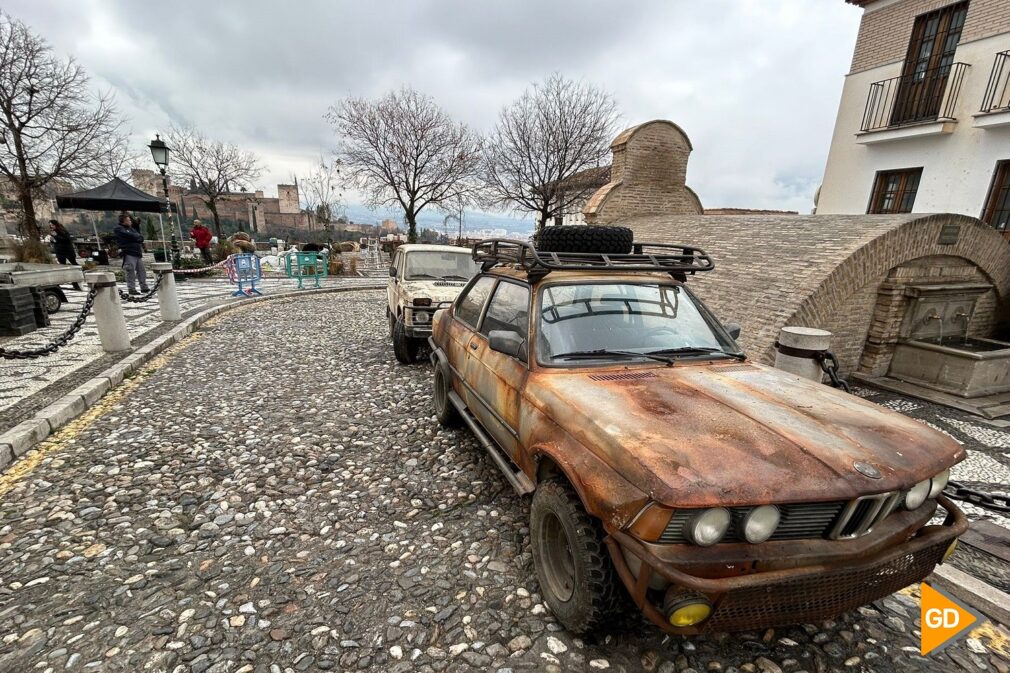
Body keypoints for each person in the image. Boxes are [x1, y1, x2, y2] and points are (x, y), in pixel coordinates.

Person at [114, 212, 149, 295]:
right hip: (129, 252)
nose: (130, 221)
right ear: (124, 221)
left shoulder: (132, 228)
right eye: (129, 220)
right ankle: (131, 289)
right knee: (130, 271)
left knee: (141, 271)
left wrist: (135, 236)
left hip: (137, 252)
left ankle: (143, 287)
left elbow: (140, 237)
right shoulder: (119, 229)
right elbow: (131, 236)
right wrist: (134, 237)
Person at [49, 220, 82, 291]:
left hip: (68, 251)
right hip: (60, 252)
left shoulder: (62, 230)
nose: (51, 226)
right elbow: (56, 241)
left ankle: (76, 283)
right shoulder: (52, 232)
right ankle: (58, 284)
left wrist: (56, 236)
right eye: (50, 225)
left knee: (73, 265)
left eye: (52, 225)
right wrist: (52, 240)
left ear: (56, 224)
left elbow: (66, 239)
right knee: (62, 267)